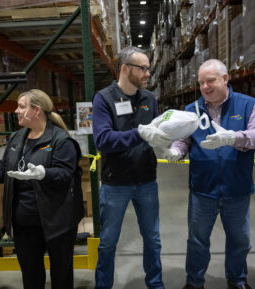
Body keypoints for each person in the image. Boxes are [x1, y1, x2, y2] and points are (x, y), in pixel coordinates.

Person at [161, 59, 255, 289]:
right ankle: (194, 282)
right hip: (203, 190)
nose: (205, 87)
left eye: (210, 81)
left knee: (240, 241)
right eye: (201, 82)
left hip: (236, 189)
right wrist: (174, 152)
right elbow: (183, 142)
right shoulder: (192, 111)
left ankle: (237, 280)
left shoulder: (248, 105)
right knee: (197, 241)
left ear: (225, 79)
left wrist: (233, 138)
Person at [0, 89, 85, 289]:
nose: (16, 111)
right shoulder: (18, 137)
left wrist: (44, 173)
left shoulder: (61, 140)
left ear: (37, 110)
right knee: (30, 274)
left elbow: (66, 175)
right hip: (24, 222)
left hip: (56, 221)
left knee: (61, 274)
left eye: (21, 106)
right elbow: (5, 164)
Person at [92, 46, 171, 289]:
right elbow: (103, 140)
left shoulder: (149, 99)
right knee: (108, 242)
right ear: (125, 69)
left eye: (148, 68)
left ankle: (155, 284)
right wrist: (139, 134)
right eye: (143, 68)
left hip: (147, 181)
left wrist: (167, 144)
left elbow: (156, 133)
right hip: (116, 184)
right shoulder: (104, 99)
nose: (148, 73)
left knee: (153, 239)